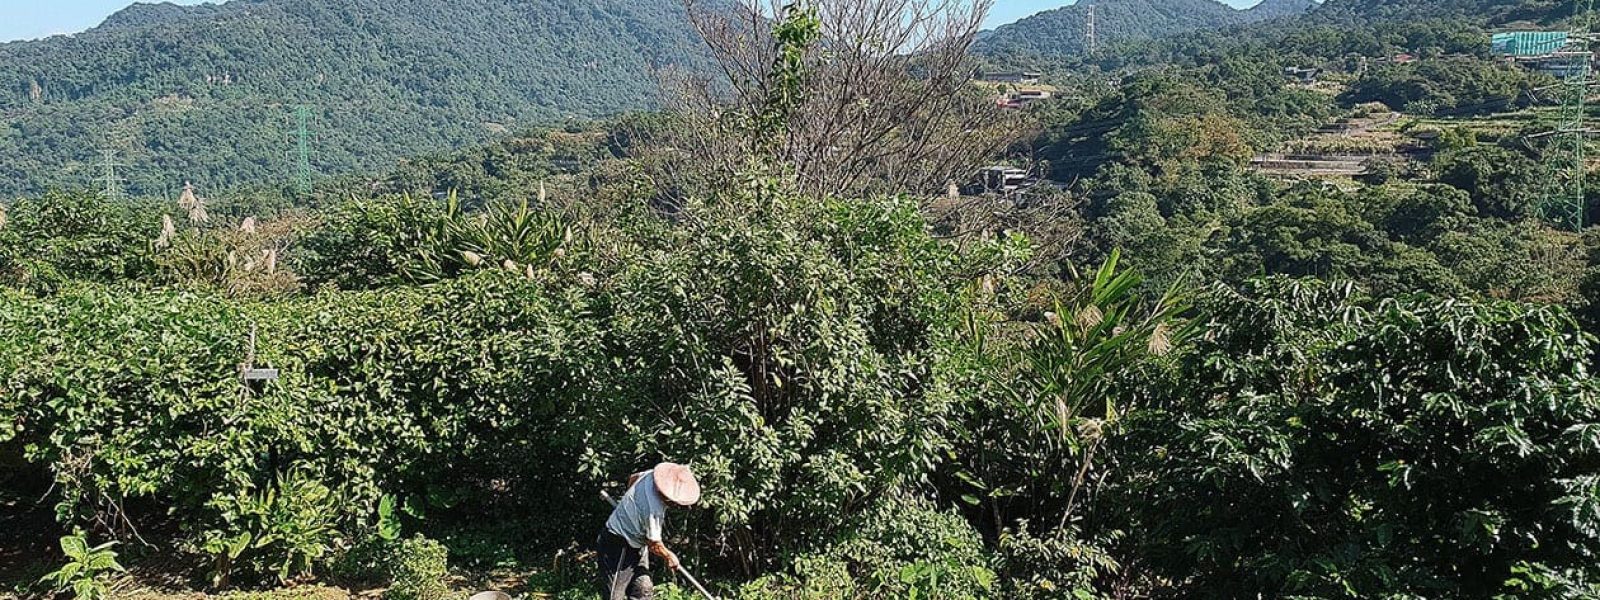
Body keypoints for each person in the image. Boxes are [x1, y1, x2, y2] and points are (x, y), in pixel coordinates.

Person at [597, 462, 701, 600]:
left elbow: (633, 478)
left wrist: (632, 508)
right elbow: (654, 544)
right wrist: (670, 557)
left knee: (643, 590)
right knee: (614, 597)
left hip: (638, 541)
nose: (675, 505)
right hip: (618, 543)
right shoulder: (654, 508)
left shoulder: (651, 475)